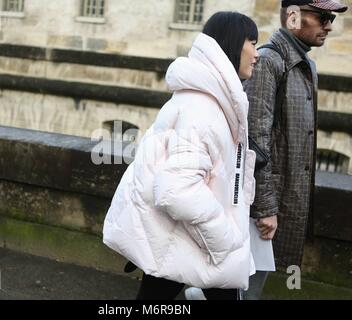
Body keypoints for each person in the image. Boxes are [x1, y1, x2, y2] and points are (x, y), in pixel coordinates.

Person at [102, 11, 259, 300]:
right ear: (233, 44)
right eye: (252, 42)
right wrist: (225, 240)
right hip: (195, 241)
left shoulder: (211, 102)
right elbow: (175, 190)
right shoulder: (204, 109)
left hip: (186, 239)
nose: (257, 53)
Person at [243, 0, 349, 299]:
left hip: (283, 203)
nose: (329, 25)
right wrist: (265, 208)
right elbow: (255, 139)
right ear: (293, 17)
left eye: (332, 18)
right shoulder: (268, 61)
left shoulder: (305, 64)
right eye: (323, 17)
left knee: (249, 286)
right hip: (264, 206)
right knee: (246, 288)